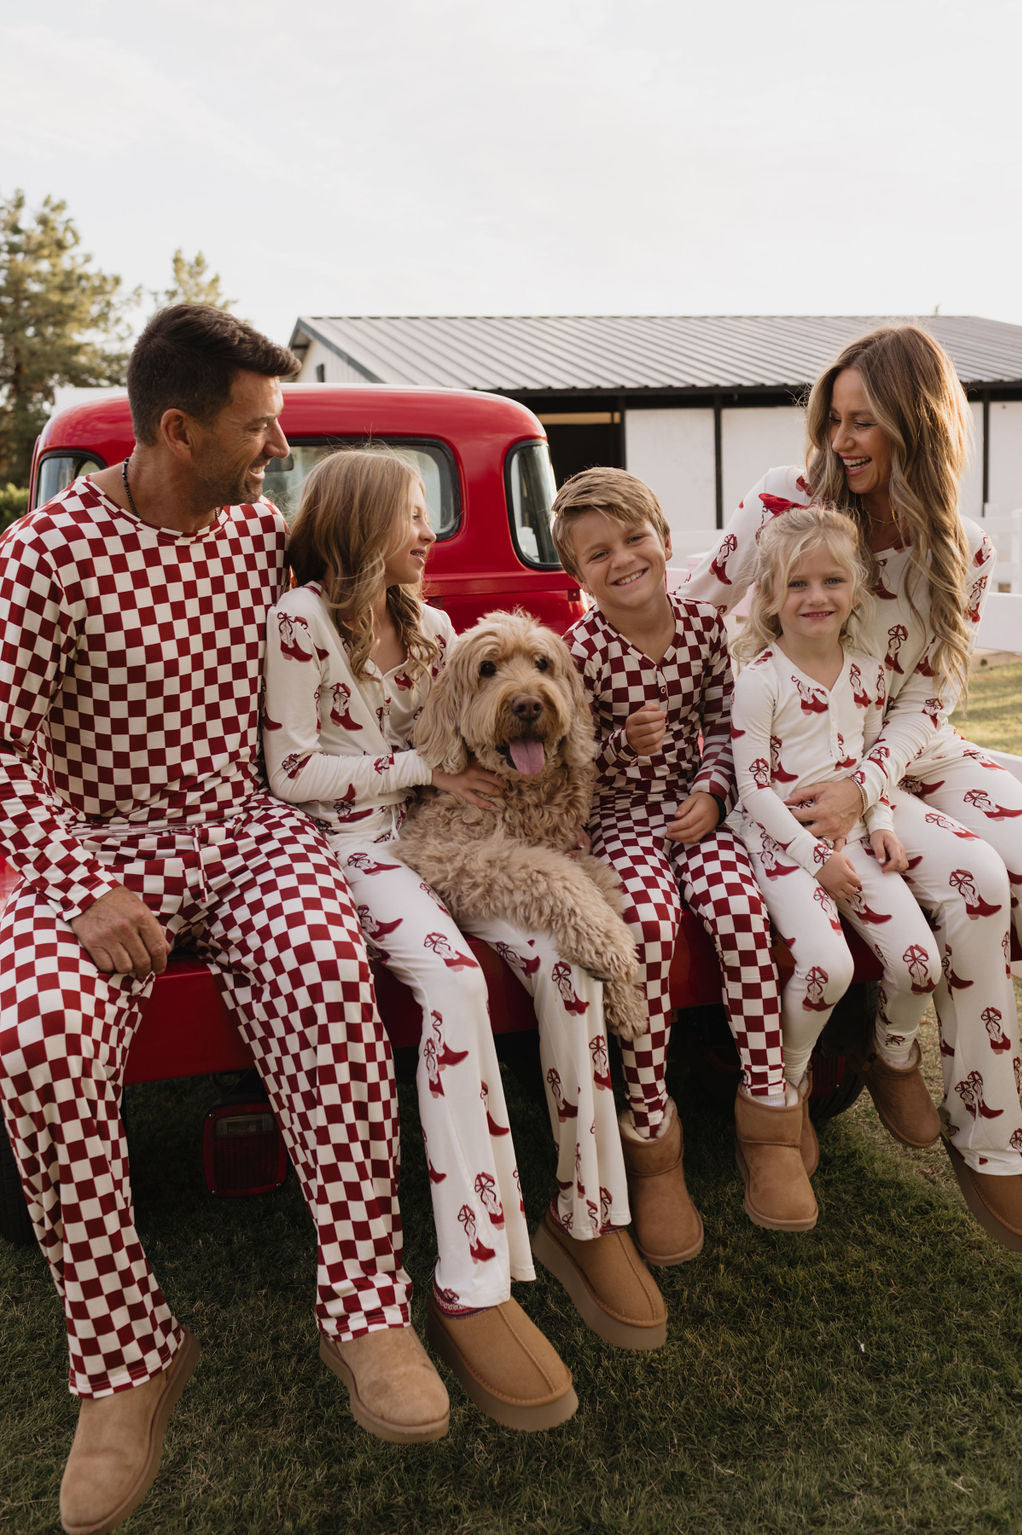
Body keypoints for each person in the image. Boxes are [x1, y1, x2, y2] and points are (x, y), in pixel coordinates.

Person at [0, 306, 451, 1535]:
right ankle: (126, 1350)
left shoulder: (259, 537)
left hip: (249, 826)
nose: (278, 442)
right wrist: (83, 887)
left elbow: (365, 613)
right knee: (34, 1037)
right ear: (180, 427)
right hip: (96, 858)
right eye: (259, 425)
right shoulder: (42, 553)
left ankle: (366, 1305)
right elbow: (5, 749)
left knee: (324, 956)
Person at [262, 448, 666, 1429]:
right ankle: (472, 1269)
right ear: (361, 526)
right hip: (352, 846)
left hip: (444, 833)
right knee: (451, 984)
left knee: (565, 964)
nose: (428, 532)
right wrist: (418, 771)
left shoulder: (435, 626)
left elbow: (462, 729)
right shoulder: (299, 623)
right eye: (411, 514)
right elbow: (292, 768)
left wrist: (476, 778)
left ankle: (588, 1207)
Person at [686, 323, 1022, 1252]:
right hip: (807, 763)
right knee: (980, 884)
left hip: (906, 760)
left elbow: (930, 695)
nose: (842, 440)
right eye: (834, 419)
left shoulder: (965, 544)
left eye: (865, 421)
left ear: (919, 424)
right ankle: (987, 1136)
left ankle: (961, 1098)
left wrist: (866, 784)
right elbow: (692, 606)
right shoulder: (786, 503)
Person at [550, 467, 818, 1247]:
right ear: (578, 577)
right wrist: (620, 747)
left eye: (635, 538)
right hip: (621, 819)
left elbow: (723, 726)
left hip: (699, 813)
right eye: (599, 554)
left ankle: (768, 1118)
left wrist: (711, 791)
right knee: (652, 929)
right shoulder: (579, 650)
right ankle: (652, 1135)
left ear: (666, 543)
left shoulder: (703, 627)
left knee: (740, 909)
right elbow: (572, 764)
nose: (624, 559)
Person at [730, 502, 942, 1156]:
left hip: (849, 838)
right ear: (769, 597)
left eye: (831, 581)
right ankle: (781, 1092)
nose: (816, 596)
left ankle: (892, 1055)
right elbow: (752, 789)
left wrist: (878, 819)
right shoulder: (761, 681)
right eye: (797, 584)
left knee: (920, 964)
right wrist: (809, 856)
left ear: (855, 589)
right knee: (827, 965)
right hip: (780, 842)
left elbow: (868, 757)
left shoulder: (867, 672)